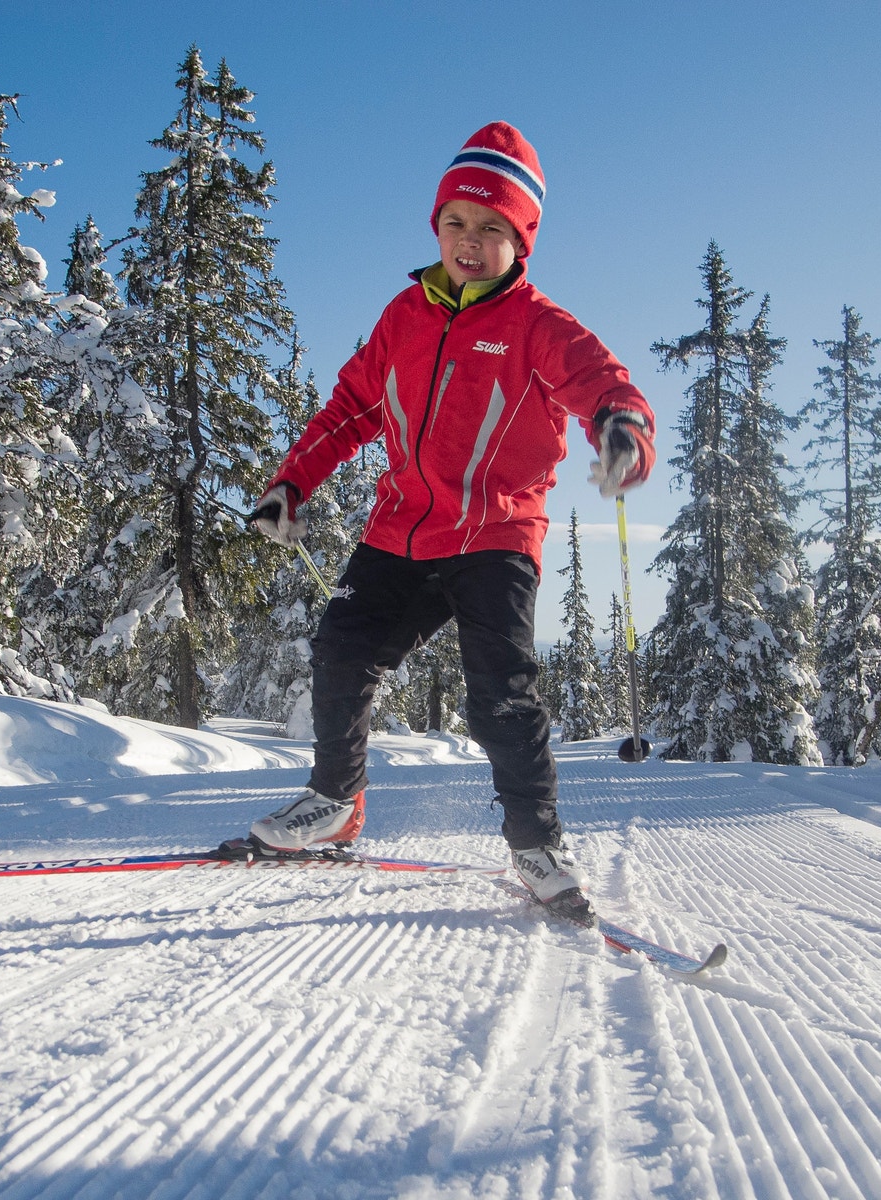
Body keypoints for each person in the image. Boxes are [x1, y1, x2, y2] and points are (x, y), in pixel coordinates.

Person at [244, 121, 655, 918]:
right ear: (436, 226)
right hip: (402, 528)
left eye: (493, 228)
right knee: (342, 648)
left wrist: (622, 429)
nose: (470, 242)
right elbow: (350, 410)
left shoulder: (537, 324)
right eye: (457, 223)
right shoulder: (404, 315)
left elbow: (605, 384)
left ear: (521, 240)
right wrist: (291, 485)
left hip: (495, 533)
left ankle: (535, 843)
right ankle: (335, 805)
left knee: (500, 687)